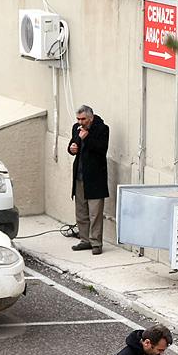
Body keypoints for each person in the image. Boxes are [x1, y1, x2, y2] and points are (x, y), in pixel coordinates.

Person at [68, 105, 110, 255]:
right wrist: (72, 147)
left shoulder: (102, 129)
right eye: (78, 119)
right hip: (79, 175)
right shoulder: (76, 128)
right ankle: (85, 240)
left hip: (95, 177)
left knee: (95, 212)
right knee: (81, 211)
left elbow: (101, 149)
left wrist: (88, 137)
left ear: (91, 118)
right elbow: (73, 145)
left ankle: (96, 243)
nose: (80, 122)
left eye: (83, 119)